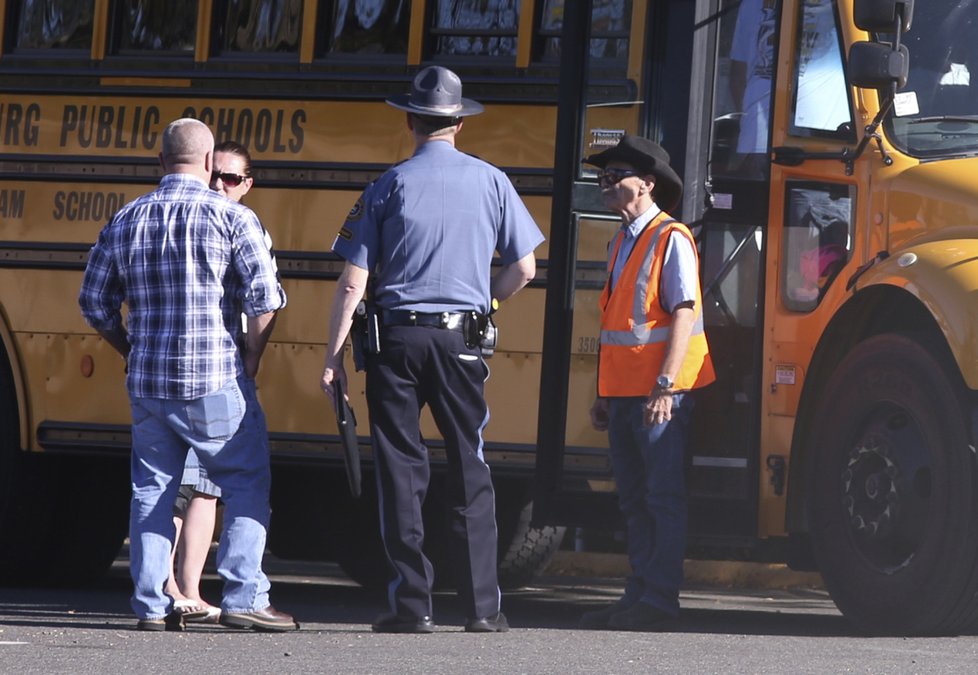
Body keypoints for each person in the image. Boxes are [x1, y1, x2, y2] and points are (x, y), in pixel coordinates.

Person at [320, 65, 544, 634]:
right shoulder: (494, 181)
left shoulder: (387, 185)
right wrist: (483, 303)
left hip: (395, 341)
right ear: (458, 125)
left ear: (411, 122)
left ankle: (411, 606)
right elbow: (524, 268)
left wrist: (333, 357)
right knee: (470, 462)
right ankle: (483, 609)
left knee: (401, 467)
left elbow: (353, 281)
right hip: (461, 340)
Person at [79, 118, 296, 632]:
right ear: (207, 163)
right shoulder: (232, 219)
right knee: (244, 480)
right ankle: (245, 595)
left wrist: (129, 347)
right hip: (216, 378)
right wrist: (251, 358)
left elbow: (93, 301)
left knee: (152, 491)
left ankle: (153, 605)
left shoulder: (126, 219)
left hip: (148, 384)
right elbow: (266, 298)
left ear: (160, 163)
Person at [579, 135, 715, 632]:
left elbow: (684, 313)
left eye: (616, 174)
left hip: (659, 394)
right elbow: (619, 323)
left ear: (647, 183)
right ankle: (637, 595)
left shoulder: (669, 236)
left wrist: (664, 386)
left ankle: (658, 600)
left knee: (661, 498)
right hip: (623, 393)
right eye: (603, 174)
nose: (606, 182)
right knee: (635, 499)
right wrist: (603, 393)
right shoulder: (621, 239)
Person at [164, 140, 269, 625]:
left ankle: (190, 587)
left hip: (217, 372)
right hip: (202, 372)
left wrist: (249, 360)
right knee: (176, 485)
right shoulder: (199, 218)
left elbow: (261, 296)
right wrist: (250, 357)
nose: (220, 185)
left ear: (247, 184)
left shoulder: (247, 226)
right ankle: (168, 587)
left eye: (231, 179)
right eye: (216, 175)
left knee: (206, 487)